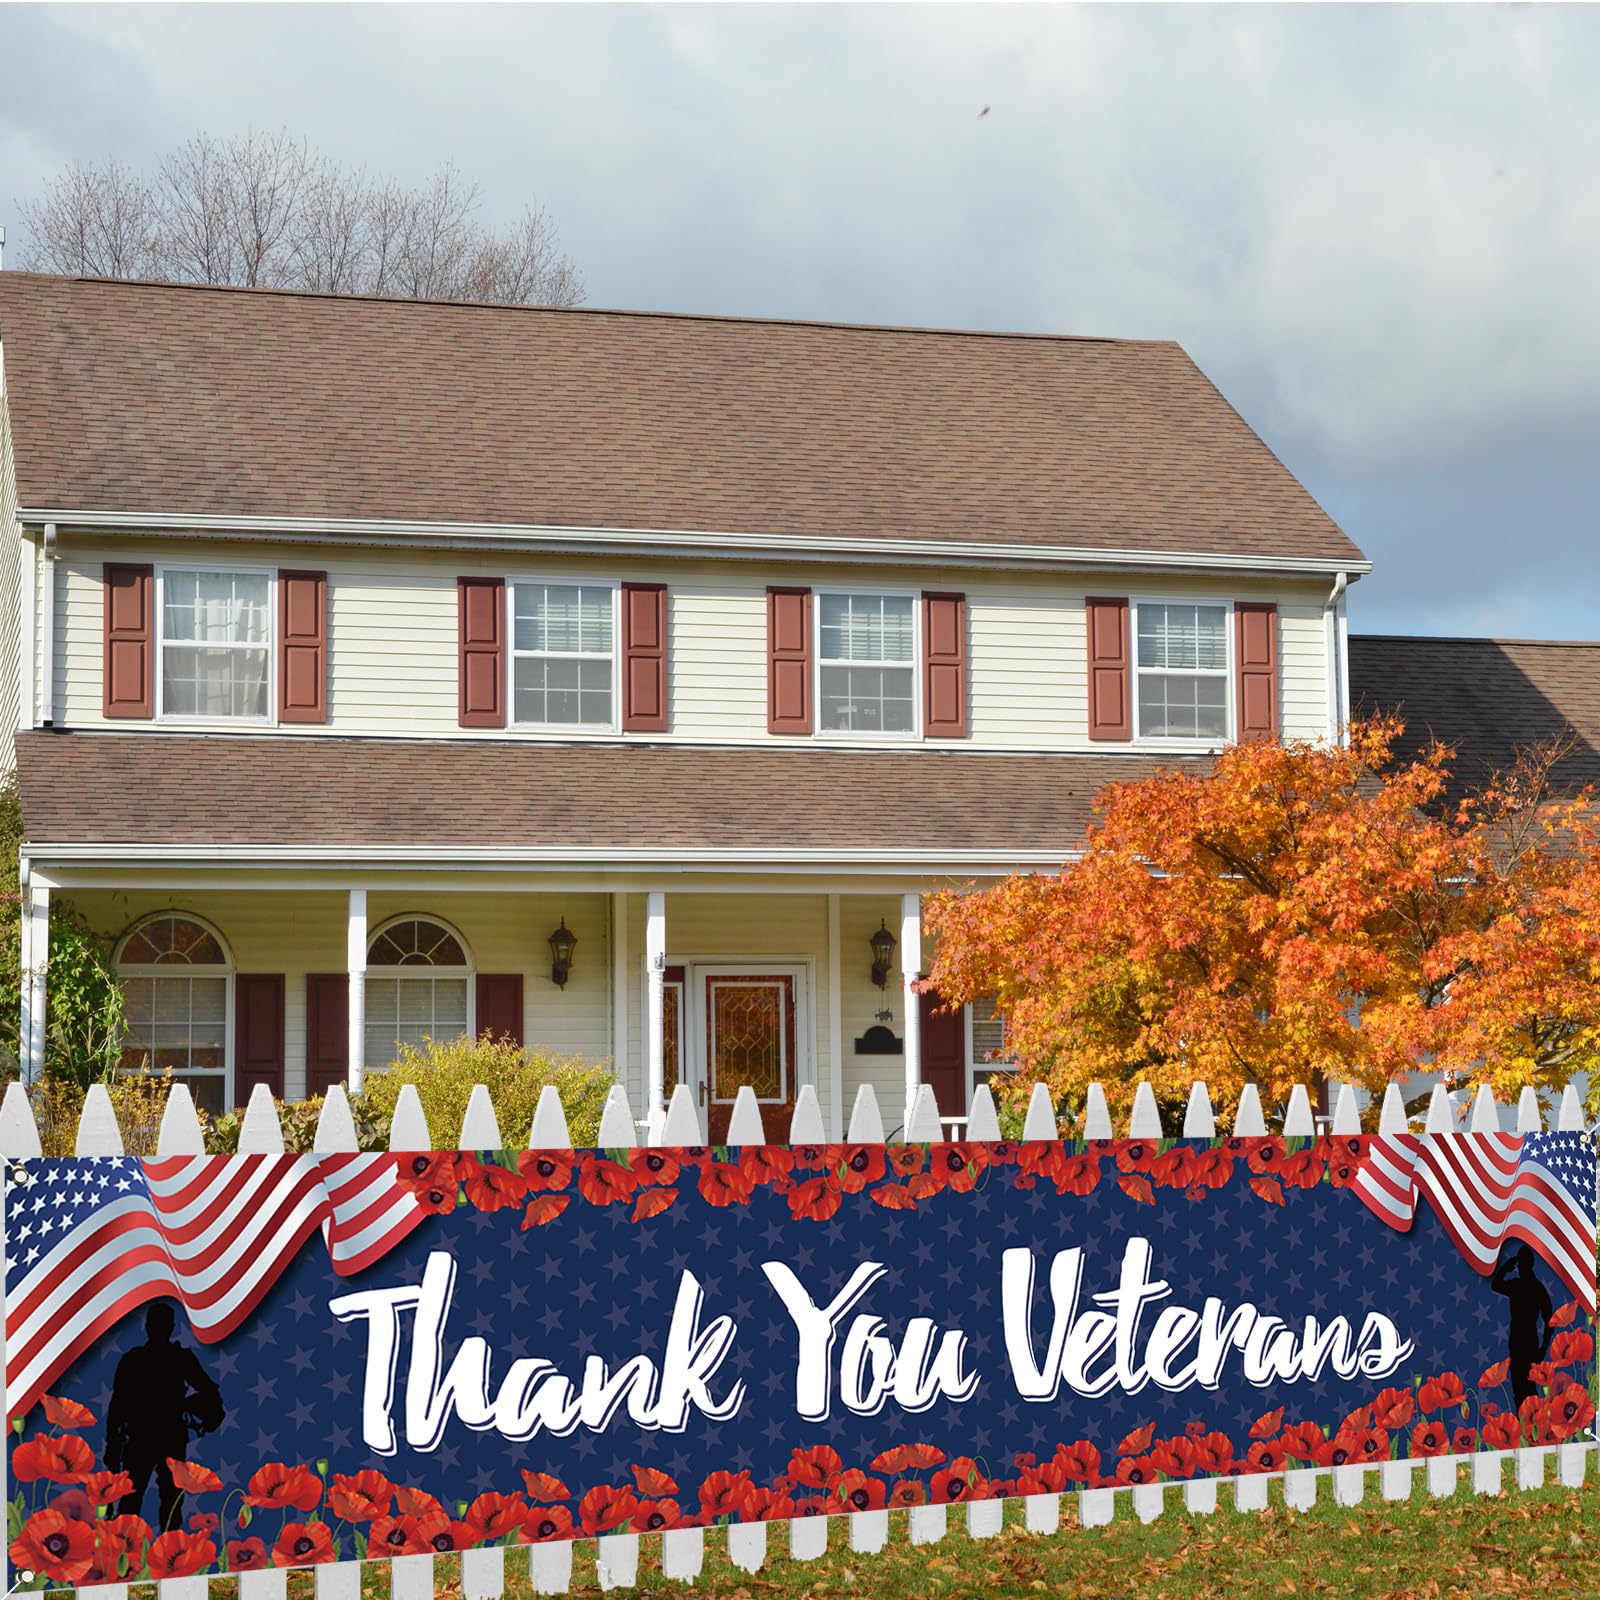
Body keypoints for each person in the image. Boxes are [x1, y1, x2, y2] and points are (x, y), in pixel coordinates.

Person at [105, 1302, 225, 1529]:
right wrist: (112, 1447)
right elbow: (117, 1407)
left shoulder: (174, 1358)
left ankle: (166, 1555)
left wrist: (201, 1414)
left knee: (167, 1501)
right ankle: (128, 1554)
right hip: (145, 1436)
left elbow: (210, 1392)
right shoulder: (137, 1359)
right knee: (135, 1499)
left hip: (165, 1436)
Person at [1491, 1244, 1554, 1408]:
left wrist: (1543, 1348)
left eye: (1521, 1264)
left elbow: (1550, 1322)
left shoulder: (1526, 1287)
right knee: (1520, 1388)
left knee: (1525, 1388)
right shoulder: (1529, 1287)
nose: (1520, 1268)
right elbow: (1496, 1285)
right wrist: (1543, 1348)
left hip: (1526, 1342)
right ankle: (1525, 1426)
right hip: (1522, 1342)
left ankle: (1532, 1425)